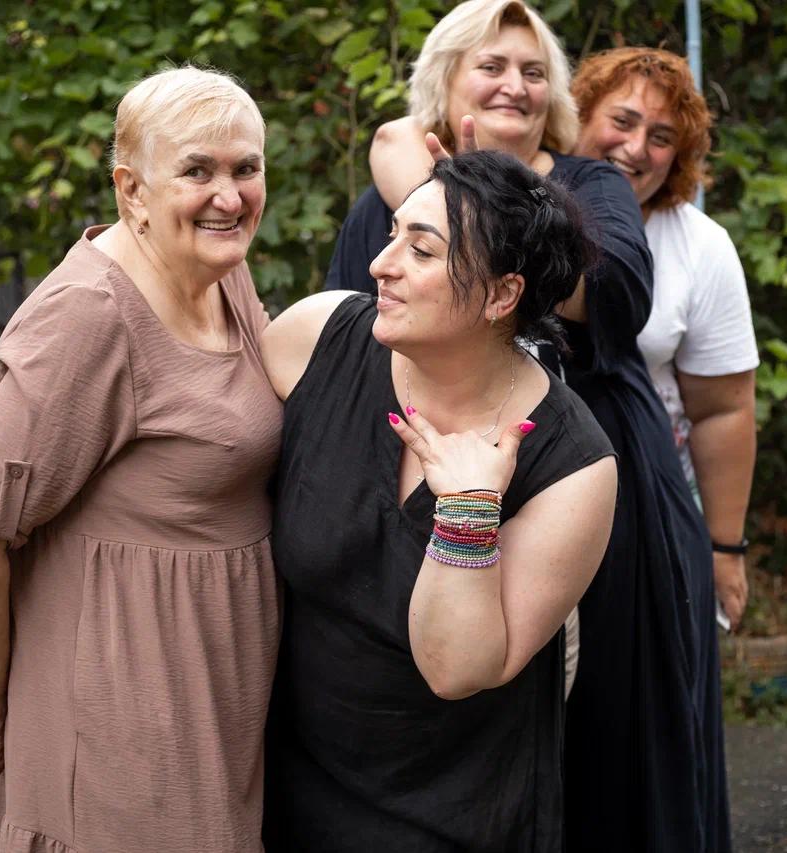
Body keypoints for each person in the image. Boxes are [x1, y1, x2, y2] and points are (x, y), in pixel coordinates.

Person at [331, 1, 731, 849]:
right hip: (426, 482)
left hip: (597, 487)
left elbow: (617, 293)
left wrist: (458, 210)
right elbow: (353, 338)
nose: (514, 84)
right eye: (491, 65)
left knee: (608, 736)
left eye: (534, 70)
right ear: (445, 82)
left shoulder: (591, 184)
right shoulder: (386, 201)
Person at [0, 67, 282, 852]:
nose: (229, 196)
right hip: (124, 715)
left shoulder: (221, 269)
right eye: (197, 170)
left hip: (215, 697)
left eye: (246, 168)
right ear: (131, 189)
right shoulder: (91, 316)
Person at [262, 150, 618, 852]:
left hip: (452, 816)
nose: (380, 265)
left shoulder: (573, 465)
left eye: (421, 250)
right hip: (286, 796)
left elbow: (455, 667)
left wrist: (467, 512)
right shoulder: (317, 339)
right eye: (393, 234)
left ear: (501, 295)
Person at [571, 46, 757, 630]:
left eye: (661, 137)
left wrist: (724, 548)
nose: (635, 148)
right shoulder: (524, 203)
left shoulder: (700, 247)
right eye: (622, 120)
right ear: (577, 115)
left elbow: (723, 409)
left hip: (647, 503)